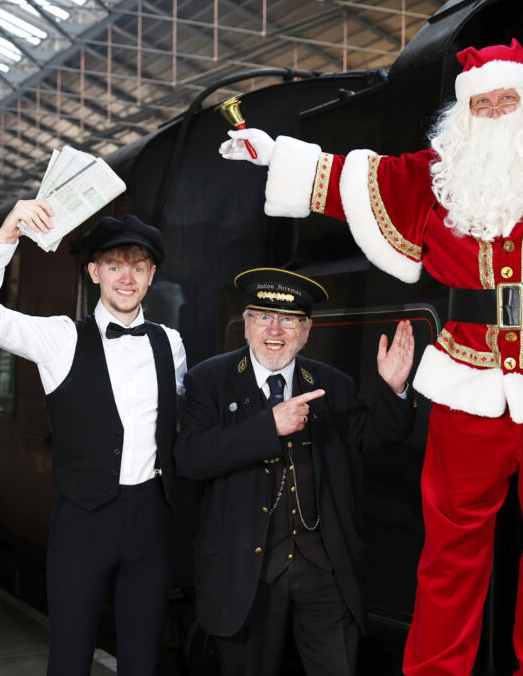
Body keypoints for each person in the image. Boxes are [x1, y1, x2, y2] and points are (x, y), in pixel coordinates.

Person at [218, 40, 523, 676]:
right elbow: (354, 177)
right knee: (450, 553)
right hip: (468, 388)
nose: (490, 112)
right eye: (479, 104)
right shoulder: (437, 176)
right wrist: (275, 157)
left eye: (503, 99)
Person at [0, 200, 187, 676]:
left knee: (143, 661)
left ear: (151, 276)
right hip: (82, 521)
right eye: (114, 265)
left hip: (152, 520)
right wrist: (8, 233)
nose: (127, 278)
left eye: (138, 267)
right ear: (94, 272)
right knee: (69, 658)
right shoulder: (60, 338)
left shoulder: (171, 342)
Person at [174, 268, 416, 676]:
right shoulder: (209, 381)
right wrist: (269, 426)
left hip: (323, 567)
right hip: (246, 572)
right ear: (247, 324)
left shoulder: (331, 384)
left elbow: (374, 435)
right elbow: (192, 457)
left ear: (306, 331)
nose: (275, 329)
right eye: (264, 317)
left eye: (288, 320)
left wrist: (393, 390)